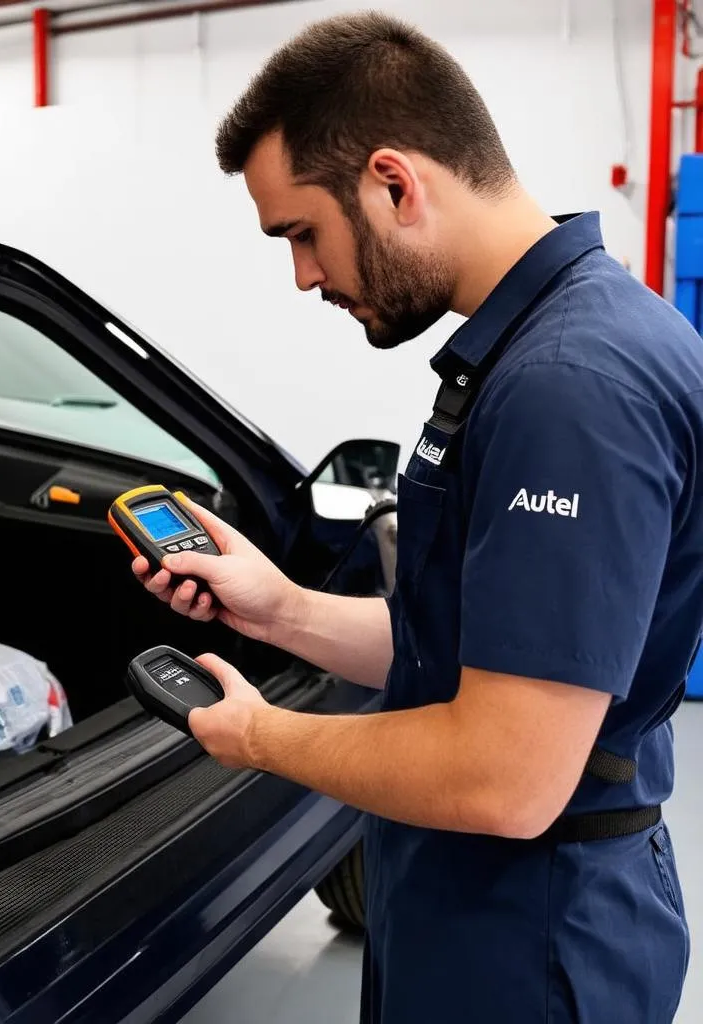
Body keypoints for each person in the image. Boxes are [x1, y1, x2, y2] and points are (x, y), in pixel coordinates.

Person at [130, 11, 698, 1024]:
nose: (304, 275)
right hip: (473, 899)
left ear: (393, 182)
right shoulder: (534, 347)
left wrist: (264, 737)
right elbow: (478, 651)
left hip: (531, 933)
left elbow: (504, 774)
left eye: (301, 233)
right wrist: (281, 610)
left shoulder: (569, 386)